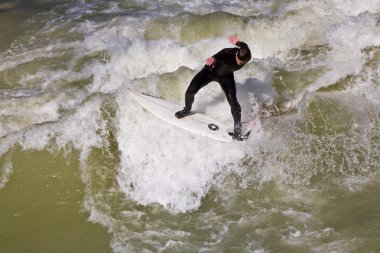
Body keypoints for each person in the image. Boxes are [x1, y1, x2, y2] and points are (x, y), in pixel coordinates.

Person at [175, 35, 251, 141]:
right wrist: (214, 58)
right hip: (210, 72)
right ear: (237, 54)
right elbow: (222, 52)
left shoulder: (246, 52)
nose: (238, 63)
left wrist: (237, 42)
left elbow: (242, 45)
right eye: (237, 60)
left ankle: (237, 130)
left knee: (233, 102)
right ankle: (187, 109)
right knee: (191, 90)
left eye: (241, 63)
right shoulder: (229, 54)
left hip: (226, 76)